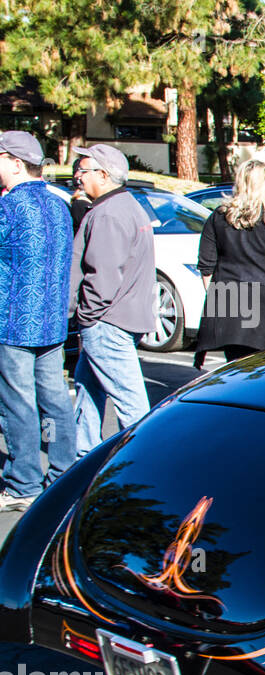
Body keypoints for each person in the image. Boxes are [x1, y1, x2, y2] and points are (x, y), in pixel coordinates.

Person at [0, 131, 76, 511]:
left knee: (18, 402)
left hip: (13, 320)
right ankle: (62, 473)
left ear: (15, 163)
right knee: (55, 398)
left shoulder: (9, 207)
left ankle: (23, 482)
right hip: (50, 319)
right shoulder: (58, 204)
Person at [68, 144, 155, 458]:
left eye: (83, 169)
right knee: (87, 390)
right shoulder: (123, 205)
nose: (77, 175)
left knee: (131, 405)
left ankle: (143, 462)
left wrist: (86, 316)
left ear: (103, 175)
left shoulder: (109, 213)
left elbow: (103, 276)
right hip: (112, 319)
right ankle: (85, 458)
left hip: (107, 322)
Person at [194, 159, 265, 368]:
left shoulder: (218, 218)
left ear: (239, 183)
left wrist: (218, 299)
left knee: (238, 368)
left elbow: (206, 267)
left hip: (233, 295)